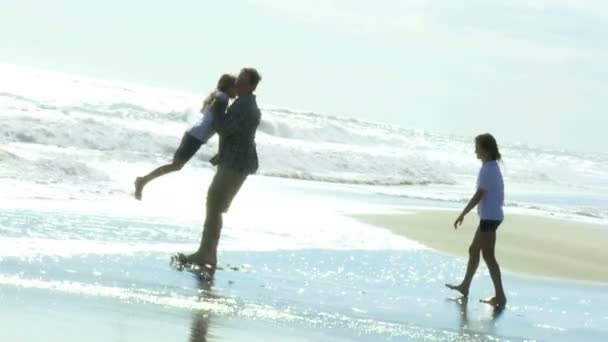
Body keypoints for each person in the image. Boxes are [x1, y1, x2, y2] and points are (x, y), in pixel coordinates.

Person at [180, 67, 262, 271]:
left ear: (252, 86)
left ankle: (205, 253)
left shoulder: (247, 108)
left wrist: (216, 110)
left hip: (237, 163)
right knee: (215, 205)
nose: (239, 85)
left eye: (243, 82)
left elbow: (225, 128)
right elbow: (232, 134)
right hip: (233, 161)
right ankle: (209, 253)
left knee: (215, 204)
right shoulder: (241, 104)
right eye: (238, 81)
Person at [133, 74, 237, 200]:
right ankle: (142, 181)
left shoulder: (218, 96)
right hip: (195, 137)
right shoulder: (222, 99)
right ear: (228, 86)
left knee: (175, 165)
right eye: (235, 86)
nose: (237, 90)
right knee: (176, 166)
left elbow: (212, 117)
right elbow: (217, 121)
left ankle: (143, 181)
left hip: (192, 133)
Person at [446, 133, 507, 308]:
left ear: (485, 150)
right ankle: (466, 286)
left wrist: (462, 213)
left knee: (488, 257)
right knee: (475, 250)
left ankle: (500, 297)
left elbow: (478, 196)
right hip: (492, 216)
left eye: (477, 147)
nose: (475, 151)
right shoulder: (491, 167)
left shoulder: (488, 169)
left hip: (490, 217)